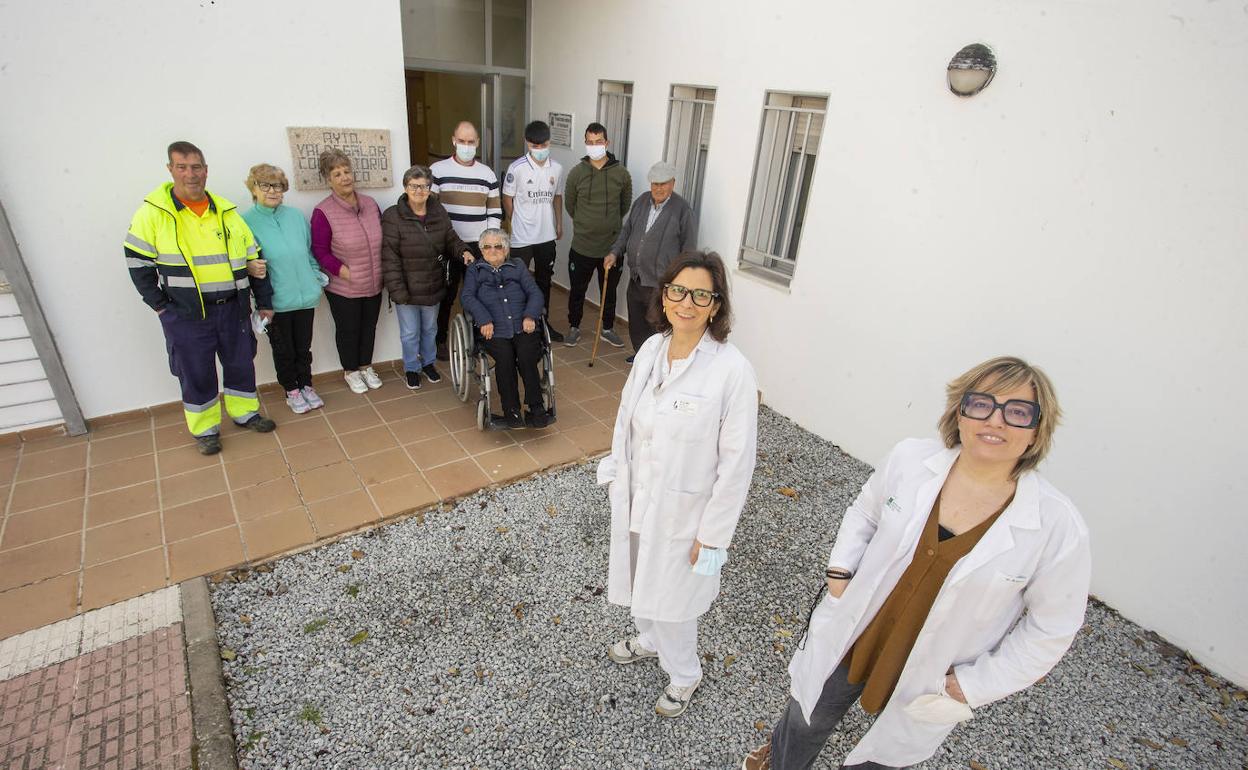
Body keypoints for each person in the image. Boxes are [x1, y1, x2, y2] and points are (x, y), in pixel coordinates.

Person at [743, 356, 1091, 770]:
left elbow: (1052, 627)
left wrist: (974, 685)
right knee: (805, 719)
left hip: (932, 667)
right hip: (856, 630)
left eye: (1017, 412)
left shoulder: (1056, 525)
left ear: (1036, 431)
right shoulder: (911, 460)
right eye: (982, 404)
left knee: (883, 759)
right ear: (960, 413)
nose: (995, 421)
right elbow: (866, 511)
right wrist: (840, 570)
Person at [597, 251, 758, 718]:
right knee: (639, 574)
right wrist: (614, 475)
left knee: (677, 601)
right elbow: (626, 420)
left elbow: (737, 464)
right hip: (639, 495)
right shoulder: (651, 349)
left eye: (701, 294)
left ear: (715, 305)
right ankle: (649, 639)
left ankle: (685, 675)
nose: (687, 302)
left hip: (687, 514)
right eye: (678, 291)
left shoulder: (731, 370)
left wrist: (712, 537)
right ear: (664, 296)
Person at [124, 141, 276, 455]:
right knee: (196, 372)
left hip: (232, 308)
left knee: (240, 364)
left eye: (196, 167)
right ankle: (205, 428)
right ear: (171, 170)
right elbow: (137, 263)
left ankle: (245, 413)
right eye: (182, 167)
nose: (190, 174)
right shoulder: (154, 213)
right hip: (186, 313)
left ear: (206, 170)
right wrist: (161, 307)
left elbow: (256, 261)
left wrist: (263, 302)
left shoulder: (227, 212)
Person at [240, 163, 327, 415]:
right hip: (275, 300)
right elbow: (245, 263)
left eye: (277, 186)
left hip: (305, 297)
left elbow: (309, 252)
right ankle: (292, 390)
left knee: (303, 347)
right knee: (283, 350)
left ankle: (307, 385)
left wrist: (315, 278)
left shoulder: (295, 216)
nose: (272, 191)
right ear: (253, 188)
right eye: (265, 185)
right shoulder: (245, 222)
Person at [381, 165, 471, 390]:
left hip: (433, 283)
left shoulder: (438, 211)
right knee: (410, 333)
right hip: (407, 288)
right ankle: (412, 367)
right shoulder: (393, 216)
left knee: (430, 329)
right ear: (405, 187)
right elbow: (389, 256)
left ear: (430, 189)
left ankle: (428, 363)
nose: (419, 190)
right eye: (414, 186)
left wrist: (463, 251)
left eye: (424, 186)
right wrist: (397, 291)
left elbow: (450, 237)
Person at [311, 148, 385, 394]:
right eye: (337, 173)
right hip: (345, 285)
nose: (344, 177)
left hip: (374, 281)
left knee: (369, 326)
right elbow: (320, 252)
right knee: (348, 329)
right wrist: (343, 271)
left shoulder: (371, 204)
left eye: (347, 171)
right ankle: (351, 371)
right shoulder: (323, 211)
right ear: (328, 180)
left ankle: (365, 366)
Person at [459, 228, 549, 429]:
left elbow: (535, 293)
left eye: (498, 246)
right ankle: (512, 411)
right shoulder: (475, 270)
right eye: (487, 246)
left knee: (527, 355)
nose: (493, 250)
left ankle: (536, 407)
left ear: (506, 249)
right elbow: (467, 297)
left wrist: (530, 315)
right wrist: (483, 319)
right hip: (494, 328)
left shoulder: (517, 266)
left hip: (523, 325)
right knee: (505, 359)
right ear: (481, 250)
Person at [606, 162, 697, 360]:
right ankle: (641, 356)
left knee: (659, 325)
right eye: (655, 183)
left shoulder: (682, 210)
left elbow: (688, 251)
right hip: (637, 277)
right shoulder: (642, 202)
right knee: (637, 322)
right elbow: (627, 231)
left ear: (672, 183)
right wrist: (614, 253)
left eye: (663, 183)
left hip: (662, 284)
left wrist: (680, 284)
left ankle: (658, 362)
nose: (658, 188)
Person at [430, 121, 498, 361]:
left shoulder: (487, 174)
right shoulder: (437, 171)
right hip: (448, 246)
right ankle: (440, 340)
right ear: (453, 140)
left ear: (477, 143)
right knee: (446, 295)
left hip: (477, 247)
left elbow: (494, 212)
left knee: (478, 294)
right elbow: (430, 210)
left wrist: (490, 245)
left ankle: (479, 339)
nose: (466, 146)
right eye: (462, 141)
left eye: (471, 142)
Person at [563, 122, 631, 349]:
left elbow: (624, 205)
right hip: (582, 246)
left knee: (609, 292)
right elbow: (570, 205)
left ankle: (608, 329)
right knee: (577, 291)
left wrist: (607, 226)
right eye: (590, 142)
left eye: (598, 142)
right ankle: (574, 327)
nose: (594, 146)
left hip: (611, 249)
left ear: (607, 143)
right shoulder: (576, 173)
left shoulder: (621, 174)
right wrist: (585, 223)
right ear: (585, 143)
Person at [501, 120, 565, 342]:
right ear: (527, 143)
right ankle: (518, 323)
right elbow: (507, 198)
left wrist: (559, 222)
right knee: (517, 281)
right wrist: (516, 220)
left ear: (549, 142)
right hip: (521, 238)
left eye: (543, 145)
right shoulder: (516, 168)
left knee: (544, 281)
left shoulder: (556, 168)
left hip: (546, 237)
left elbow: (557, 196)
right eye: (534, 146)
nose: (539, 150)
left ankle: (542, 323)